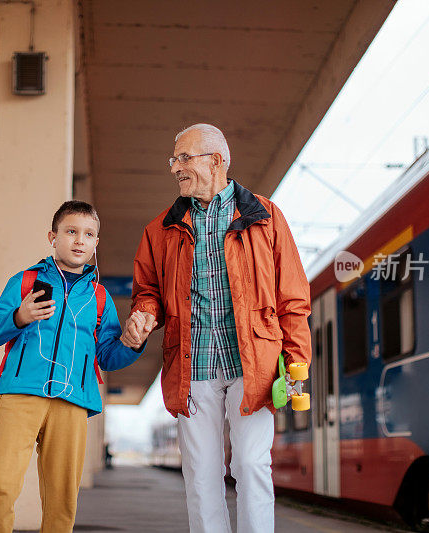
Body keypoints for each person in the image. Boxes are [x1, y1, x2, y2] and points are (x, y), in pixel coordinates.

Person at [130, 124, 312, 533]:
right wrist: (145, 314)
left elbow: (293, 298)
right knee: (201, 474)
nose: (175, 168)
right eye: (173, 160)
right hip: (192, 367)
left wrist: (297, 363)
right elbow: (148, 291)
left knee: (251, 465)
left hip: (255, 364)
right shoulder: (159, 230)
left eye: (183, 158)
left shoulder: (265, 217)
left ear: (217, 160)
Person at [0, 200, 151, 533]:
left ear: (96, 243)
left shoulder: (100, 298)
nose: (79, 240)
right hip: (18, 396)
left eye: (88, 234)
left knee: (62, 500)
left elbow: (109, 356)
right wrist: (19, 316)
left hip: (72, 404)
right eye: (71, 231)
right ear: (53, 237)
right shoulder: (25, 282)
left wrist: (133, 343)